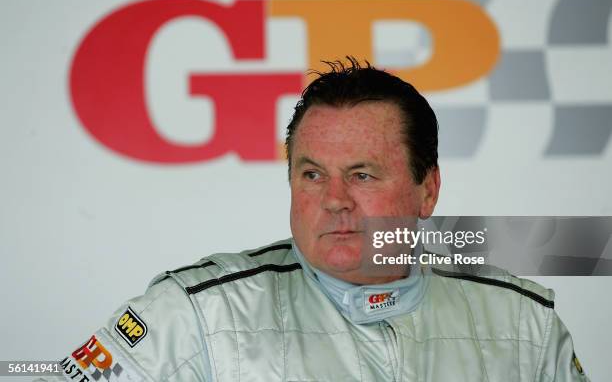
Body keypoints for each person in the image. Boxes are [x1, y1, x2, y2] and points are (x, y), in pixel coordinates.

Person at [42, 59, 589, 381]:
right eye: (312, 175)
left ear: (429, 191)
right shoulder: (194, 313)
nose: (334, 200)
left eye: (363, 175)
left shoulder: (525, 323)